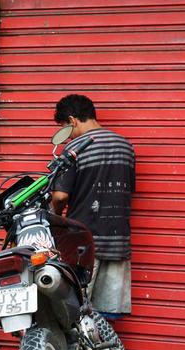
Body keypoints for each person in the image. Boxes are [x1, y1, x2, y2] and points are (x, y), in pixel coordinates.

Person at [51, 94, 134, 318]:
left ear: (72, 121)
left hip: (84, 242)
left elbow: (59, 196)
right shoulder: (126, 146)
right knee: (106, 316)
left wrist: (55, 218)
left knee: (75, 313)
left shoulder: (75, 149)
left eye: (64, 128)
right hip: (118, 242)